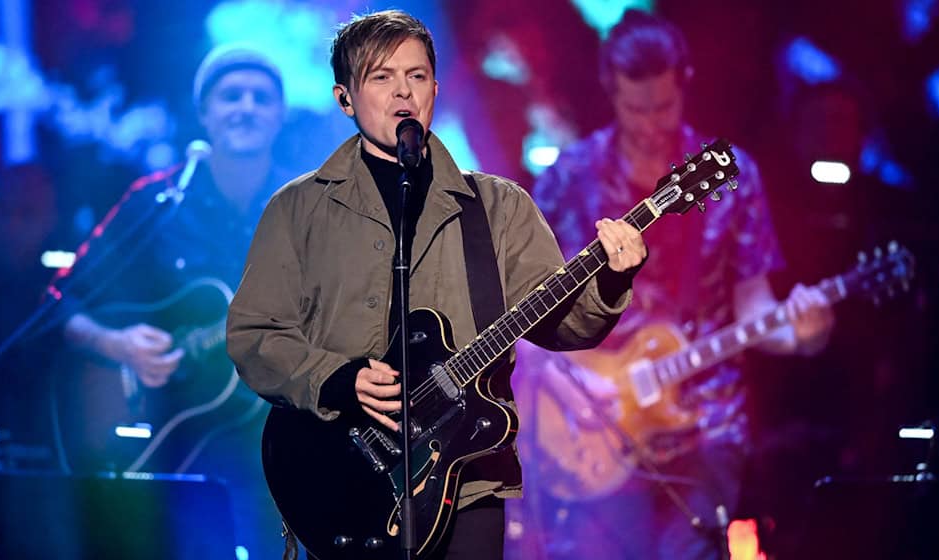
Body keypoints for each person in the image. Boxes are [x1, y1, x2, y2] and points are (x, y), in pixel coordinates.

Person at [224, 9, 647, 560]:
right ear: (344, 98)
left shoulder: (498, 206)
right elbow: (255, 334)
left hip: (467, 477)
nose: (403, 91)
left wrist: (613, 278)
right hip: (339, 475)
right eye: (382, 77)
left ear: (435, 90)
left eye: (417, 76)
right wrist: (335, 380)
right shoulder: (298, 208)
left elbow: (563, 324)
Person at [507, 9, 835, 560]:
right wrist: (575, 390)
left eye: (664, 105)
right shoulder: (568, 178)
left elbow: (756, 308)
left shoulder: (729, 176)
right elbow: (524, 318)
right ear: (610, 92)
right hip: (596, 425)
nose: (651, 123)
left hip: (707, 423)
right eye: (636, 108)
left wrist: (801, 333)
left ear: (684, 84)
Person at [49, 43, 292, 560]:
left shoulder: (310, 209)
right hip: (175, 446)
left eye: (260, 97)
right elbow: (62, 303)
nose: (245, 106)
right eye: (230, 95)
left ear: (280, 115)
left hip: (281, 447)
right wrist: (117, 344)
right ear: (204, 112)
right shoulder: (158, 202)